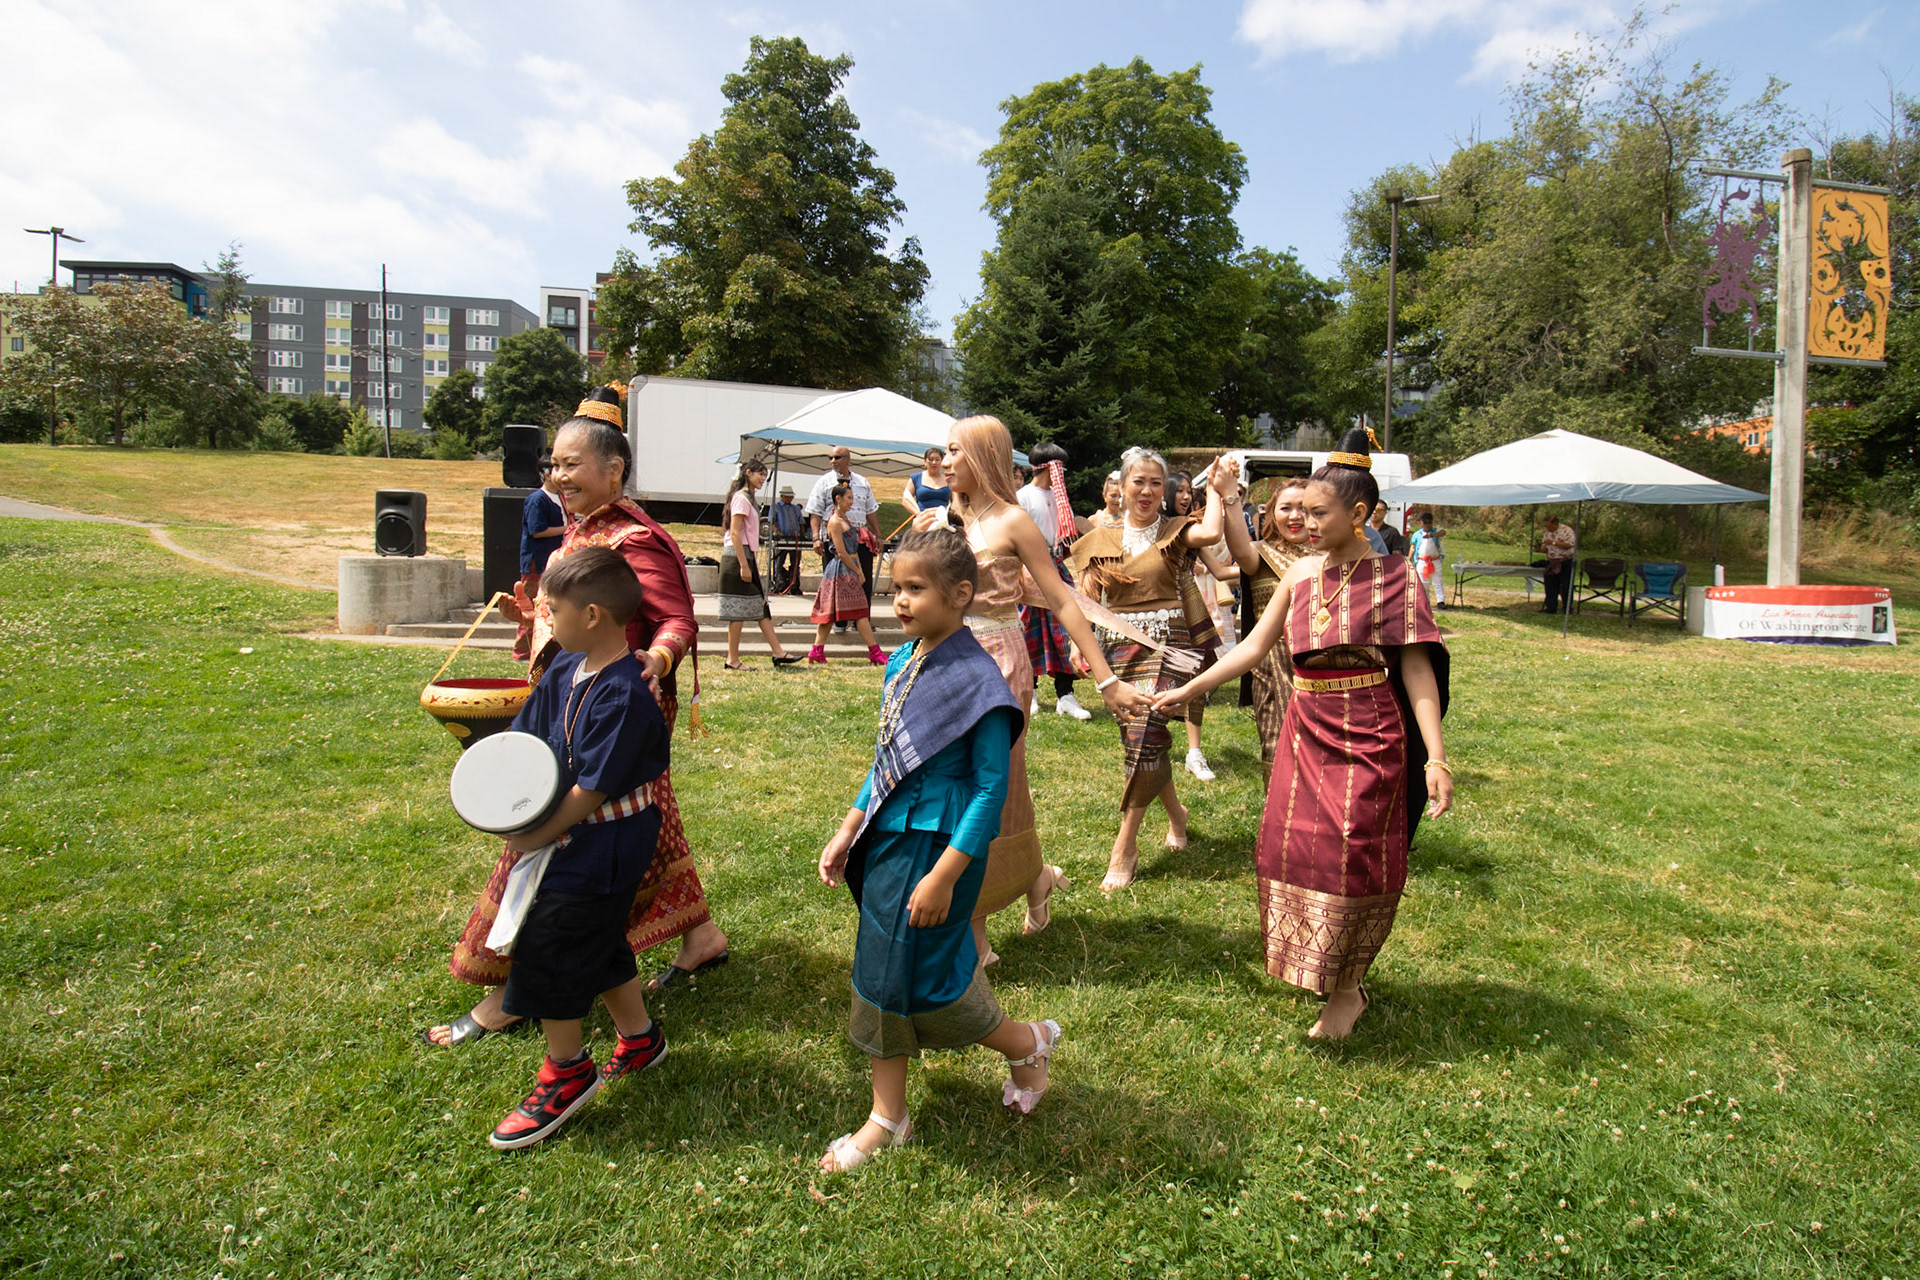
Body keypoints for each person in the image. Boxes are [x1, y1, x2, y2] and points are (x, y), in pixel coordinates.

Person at [426, 386, 730, 1048]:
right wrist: (533, 616)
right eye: (554, 465)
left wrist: (656, 658)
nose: (559, 477)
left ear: (613, 470)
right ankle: (700, 936)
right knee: (647, 827)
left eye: (572, 465)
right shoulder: (579, 530)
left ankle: (515, 989)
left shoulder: (633, 538)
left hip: (613, 709)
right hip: (568, 701)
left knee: (557, 835)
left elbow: (676, 618)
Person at [1152, 427, 1451, 1040]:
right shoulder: (1300, 574)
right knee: (1291, 850)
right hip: (1304, 726)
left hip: (1370, 729)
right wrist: (1189, 690)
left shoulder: (1396, 576)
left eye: (1320, 514)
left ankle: (1347, 988)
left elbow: (1418, 668)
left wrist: (1437, 758)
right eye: (1302, 512)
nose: (1305, 524)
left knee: (1353, 853)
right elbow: (1253, 647)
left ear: (1359, 515)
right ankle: (1325, 964)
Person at [815, 528, 1063, 1173]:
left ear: (960, 594)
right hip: (888, 841)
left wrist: (947, 875)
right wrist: (849, 827)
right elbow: (885, 761)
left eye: (915, 589)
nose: (900, 600)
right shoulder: (900, 662)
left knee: (932, 980)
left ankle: (1026, 1042)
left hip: (942, 849)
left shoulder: (980, 680)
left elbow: (989, 790)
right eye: (895, 588)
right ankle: (887, 1115)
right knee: (881, 969)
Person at [924, 416, 1151, 960]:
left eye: (954, 451)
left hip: (998, 666)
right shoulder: (943, 518)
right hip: (945, 663)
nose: (944, 461)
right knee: (971, 788)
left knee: (987, 787)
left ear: (982, 455)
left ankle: (975, 929)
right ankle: (1035, 877)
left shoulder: (1014, 521)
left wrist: (1105, 678)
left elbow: (1064, 600)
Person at [482, 547, 670, 1149]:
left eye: (552, 609)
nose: (546, 619)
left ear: (591, 615)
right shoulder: (567, 666)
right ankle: (640, 1040)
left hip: (606, 841)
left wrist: (534, 835)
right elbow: (529, 739)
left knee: (553, 941)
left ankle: (567, 1072)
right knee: (597, 933)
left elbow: (592, 790)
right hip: (572, 834)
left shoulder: (624, 695)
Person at [1069, 446, 1244, 892]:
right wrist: (1076, 643)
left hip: (1172, 645)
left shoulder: (1175, 531)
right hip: (1118, 648)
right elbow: (1085, 598)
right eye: (1138, 482)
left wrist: (1218, 490)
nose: (1147, 491)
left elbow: (1211, 532)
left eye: (1155, 483)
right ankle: (1177, 815)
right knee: (1142, 740)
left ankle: (1124, 846)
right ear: (1121, 486)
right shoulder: (1099, 539)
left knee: (1145, 730)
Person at [1224, 476, 1311, 768]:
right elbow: (1239, 548)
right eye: (1286, 508)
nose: (1295, 516)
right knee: (1277, 750)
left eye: (1304, 508)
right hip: (1273, 667)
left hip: (1319, 666)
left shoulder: (1333, 557)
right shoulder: (1261, 555)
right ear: (1272, 513)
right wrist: (1230, 496)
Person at [1016, 441, 1092, 721]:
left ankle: (1065, 695)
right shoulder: (1023, 497)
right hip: (1029, 568)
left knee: (1064, 627)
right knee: (1029, 628)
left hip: (1056, 566)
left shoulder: (1060, 499)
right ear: (1049, 467)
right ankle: (1030, 691)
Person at [717, 461, 803, 670]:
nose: (763, 479)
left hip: (745, 556)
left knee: (761, 606)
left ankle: (777, 652)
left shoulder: (748, 498)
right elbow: (735, 533)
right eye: (760, 474)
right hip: (737, 557)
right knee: (737, 611)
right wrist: (743, 565)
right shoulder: (741, 498)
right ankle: (733, 659)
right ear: (748, 473)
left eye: (765, 475)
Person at [809, 483, 885, 665]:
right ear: (838, 499)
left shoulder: (845, 519)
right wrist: (857, 571)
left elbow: (852, 550)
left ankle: (816, 651)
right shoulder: (835, 522)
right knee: (853, 612)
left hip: (850, 567)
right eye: (849, 498)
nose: (852, 502)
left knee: (852, 611)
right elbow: (841, 552)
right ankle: (874, 652)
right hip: (841, 570)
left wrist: (859, 568)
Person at [805, 447, 882, 612]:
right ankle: (838, 620)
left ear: (848, 459)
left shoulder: (862, 482)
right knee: (836, 581)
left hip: (859, 537)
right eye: (830, 458)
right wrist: (816, 538)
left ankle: (861, 620)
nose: (833, 461)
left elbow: (871, 510)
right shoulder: (824, 482)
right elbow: (815, 512)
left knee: (863, 579)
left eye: (837, 457)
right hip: (835, 538)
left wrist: (878, 535)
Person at [513, 459, 566, 660]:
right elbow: (537, 530)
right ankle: (522, 652)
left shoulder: (560, 497)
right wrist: (568, 528)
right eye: (556, 469)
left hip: (555, 560)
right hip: (537, 561)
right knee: (530, 605)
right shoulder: (537, 499)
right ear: (545, 473)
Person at [768, 484, 807, 596]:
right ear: (782, 496)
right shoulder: (776, 507)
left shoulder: (796, 509)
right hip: (782, 538)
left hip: (795, 539)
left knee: (795, 563)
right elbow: (772, 521)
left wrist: (802, 536)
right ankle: (779, 585)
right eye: (786, 497)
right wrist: (778, 532)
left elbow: (801, 523)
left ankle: (794, 585)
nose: (788, 499)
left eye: (790, 497)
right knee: (779, 562)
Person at [1538, 514, 1576, 614]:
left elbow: (1569, 544)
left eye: (1549, 526)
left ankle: (1567, 608)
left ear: (1555, 524)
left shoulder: (1566, 531)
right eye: (1546, 526)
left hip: (1565, 561)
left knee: (1566, 586)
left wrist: (1553, 543)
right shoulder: (1547, 533)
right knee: (1550, 585)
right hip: (1552, 561)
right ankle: (1551, 607)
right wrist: (1543, 549)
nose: (1547, 528)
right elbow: (1545, 546)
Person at [1408, 511, 1447, 606]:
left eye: (1429, 523)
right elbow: (1413, 547)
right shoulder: (1417, 534)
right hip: (1422, 561)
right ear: (1421, 523)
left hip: (1434, 560)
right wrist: (1409, 559)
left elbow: (1443, 532)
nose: (1427, 525)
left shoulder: (1436, 531)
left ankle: (1440, 601)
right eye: (1425, 523)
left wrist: (1432, 535)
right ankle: (1425, 600)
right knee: (1423, 582)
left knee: (1437, 581)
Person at [900, 446, 951, 516]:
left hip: (943, 519)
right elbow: (906, 500)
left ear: (942, 462)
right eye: (931, 459)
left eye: (937, 459)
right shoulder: (915, 478)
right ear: (925, 462)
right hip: (922, 518)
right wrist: (919, 514)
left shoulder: (948, 479)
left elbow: (957, 502)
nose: (934, 462)